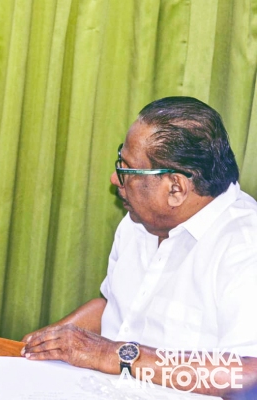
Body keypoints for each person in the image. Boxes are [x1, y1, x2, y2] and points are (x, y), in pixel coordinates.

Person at [21, 97, 257, 397]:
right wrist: (45, 344)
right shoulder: (140, 220)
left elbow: (248, 375)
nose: (114, 178)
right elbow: (113, 307)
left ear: (175, 188)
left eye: (127, 169)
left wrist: (115, 355)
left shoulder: (245, 247)